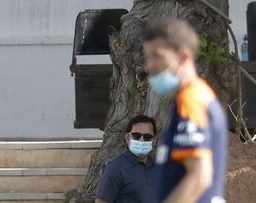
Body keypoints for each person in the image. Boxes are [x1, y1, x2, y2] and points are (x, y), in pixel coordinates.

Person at [143, 19, 229, 203]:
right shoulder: (198, 97)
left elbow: (199, 176)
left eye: (157, 56)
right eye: (147, 57)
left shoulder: (191, 101)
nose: (149, 65)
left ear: (184, 57)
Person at [95, 115, 157, 203]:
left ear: (154, 140)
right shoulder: (116, 168)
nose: (142, 140)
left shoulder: (159, 167)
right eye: (136, 136)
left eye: (147, 137)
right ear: (128, 138)